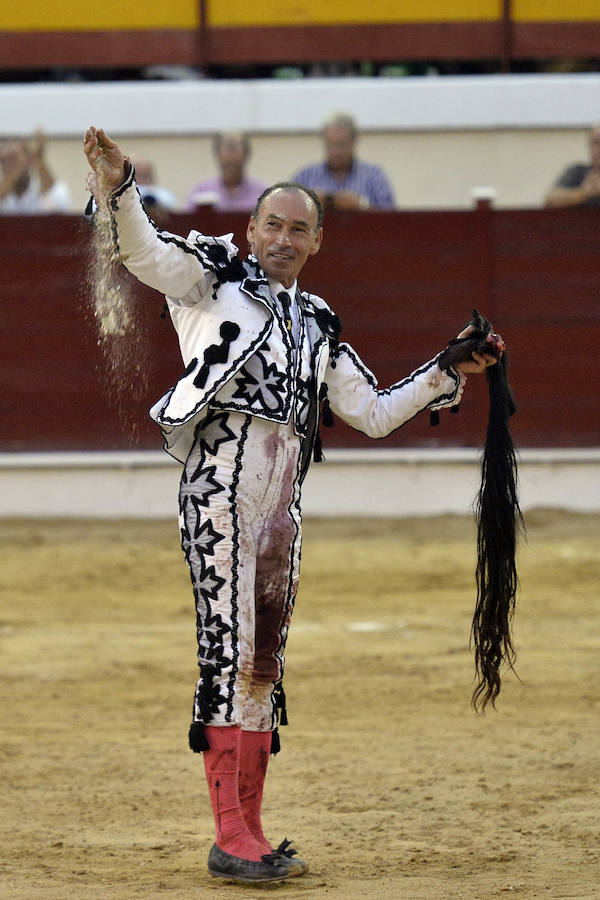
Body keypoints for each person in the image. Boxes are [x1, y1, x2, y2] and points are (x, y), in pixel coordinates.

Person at [83, 126, 498, 885]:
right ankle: (228, 833)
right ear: (251, 229)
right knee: (227, 652)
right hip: (218, 489)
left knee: (263, 664)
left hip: (282, 509)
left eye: (298, 228)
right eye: (271, 223)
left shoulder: (317, 321)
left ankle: (253, 829)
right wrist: (119, 185)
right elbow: (141, 251)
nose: (282, 237)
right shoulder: (209, 279)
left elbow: (369, 410)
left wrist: (445, 369)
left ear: (316, 242)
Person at [291, 112, 395, 211]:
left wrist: (361, 204)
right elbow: (285, 211)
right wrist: (309, 203)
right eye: (331, 144)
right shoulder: (305, 176)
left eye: (342, 144)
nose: (337, 151)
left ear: (353, 143)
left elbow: (391, 217)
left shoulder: (374, 176)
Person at [185, 132, 267, 212]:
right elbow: (187, 223)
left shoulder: (262, 194)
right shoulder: (201, 192)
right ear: (218, 157)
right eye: (226, 165)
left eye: (236, 166)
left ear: (246, 157)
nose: (231, 170)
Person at [0, 130, 71, 214]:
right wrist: (17, 171)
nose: (13, 164)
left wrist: (38, 160)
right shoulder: (4, 195)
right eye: (7, 160)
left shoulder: (40, 189)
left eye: (14, 158)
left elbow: (59, 202)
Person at [544, 122, 600, 208]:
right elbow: (550, 200)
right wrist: (584, 193)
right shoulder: (578, 172)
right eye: (596, 143)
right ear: (589, 147)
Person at [130, 155, 177, 227]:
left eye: (143, 174)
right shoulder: (126, 193)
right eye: (137, 174)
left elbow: (172, 213)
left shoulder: (164, 194)